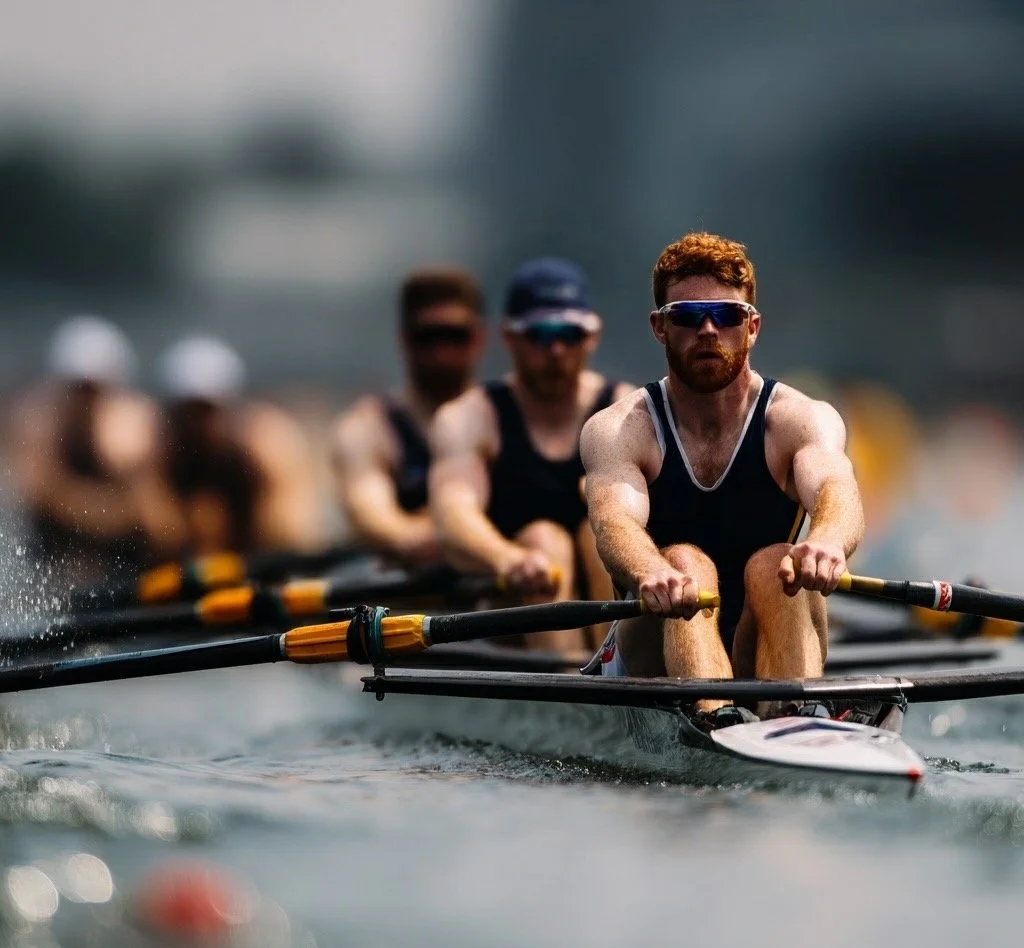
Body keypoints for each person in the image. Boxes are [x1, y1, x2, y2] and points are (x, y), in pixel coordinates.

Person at [580, 232, 865, 720]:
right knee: (686, 563)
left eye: (727, 315)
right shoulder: (620, 428)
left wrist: (828, 543)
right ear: (660, 328)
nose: (709, 329)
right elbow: (613, 523)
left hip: (760, 638)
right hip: (652, 653)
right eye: (688, 317)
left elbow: (836, 489)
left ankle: (795, 718)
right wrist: (651, 571)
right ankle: (715, 719)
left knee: (781, 564)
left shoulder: (801, 419)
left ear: (752, 327)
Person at [430, 257, 633, 652]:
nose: (556, 350)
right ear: (509, 337)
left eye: (570, 334)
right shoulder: (471, 416)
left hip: (605, 575)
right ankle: (570, 679)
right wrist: (506, 558)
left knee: (600, 537)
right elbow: (453, 515)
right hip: (514, 605)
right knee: (545, 542)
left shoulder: (627, 410)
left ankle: (615, 672)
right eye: (541, 335)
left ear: (592, 336)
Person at [331, 268, 486, 567]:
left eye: (455, 337)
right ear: (404, 340)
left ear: (478, 339)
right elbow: (373, 515)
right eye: (428, 338)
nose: (442, 353)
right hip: (406, 587)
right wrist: (429, 535)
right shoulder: (369, 427)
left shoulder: (501, 416)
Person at [13, 316, 159, 585]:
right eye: (78, 389)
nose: (85, 399)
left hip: (123, 565)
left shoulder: (132, 424)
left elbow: (151, 517)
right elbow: (39, 495)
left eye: (93, 389)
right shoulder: (40, 421)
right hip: (60, 563)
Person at [146, 335, 321, 558]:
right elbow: (160, 535)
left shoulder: (266, 446)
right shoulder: (156, 450)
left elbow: (290, 535)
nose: (197, 423)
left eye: (206, 411)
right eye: (188, 412)